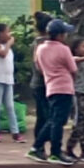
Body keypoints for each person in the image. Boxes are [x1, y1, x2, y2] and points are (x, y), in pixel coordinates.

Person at [27, 19, 77, 166]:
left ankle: (38, 147)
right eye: (65, 33)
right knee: (57, 121)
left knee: (54, 120)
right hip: (64, 87)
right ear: (60, 35)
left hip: (50, 86)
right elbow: (73, 69)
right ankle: (54, 151)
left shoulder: (41, 49)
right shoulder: (64, 49)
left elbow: (39, 67)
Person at [0, 23, 24, 143]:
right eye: (7, 32)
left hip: (8, 79)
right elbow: (2, 54)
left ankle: (15, 132)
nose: (9, 34)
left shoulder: (8, 47)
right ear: (0, 33)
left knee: (10, 106)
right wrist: (9, 43)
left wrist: (8, 44)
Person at [30, 12, 53, 146]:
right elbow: (38, 64)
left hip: (43, 83)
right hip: (41, 84)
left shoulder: (41, 42)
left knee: (44, 116)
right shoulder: (41, 44)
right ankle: (39, 145)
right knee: (45, 116)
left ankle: (42, 144)